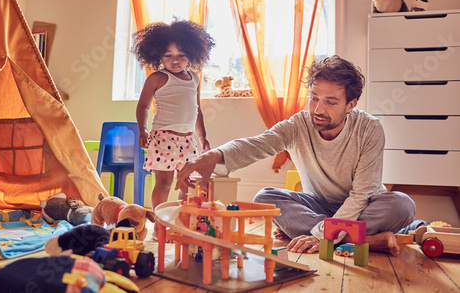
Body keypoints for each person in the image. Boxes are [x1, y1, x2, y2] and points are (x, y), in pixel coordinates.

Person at [176, 55, 416, 256]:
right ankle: (365, 240)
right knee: (265, 197)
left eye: (331, 102)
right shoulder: (298, 125)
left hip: (364, 206)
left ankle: (327, 236)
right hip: (319, 205)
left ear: (350, 105)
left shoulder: (369, 128)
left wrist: (323, 234)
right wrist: (214, 155)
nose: (318, 110)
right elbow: (257, 145)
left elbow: (362, 194)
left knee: (402, 205)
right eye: (314, 98)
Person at [133, 19, 214, 240]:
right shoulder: (157, 78)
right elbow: (143, 106)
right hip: (163, 138)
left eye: (181, 54)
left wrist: (202, 136)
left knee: (187, 184)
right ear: (158, 55)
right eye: (168, 55)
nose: (175, 60)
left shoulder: (194, 78)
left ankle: (181, 223)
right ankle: (159, 226)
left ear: (192, 54)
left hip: (188, 141)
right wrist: (143, 130)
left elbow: (197, 110)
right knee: (165, 182)